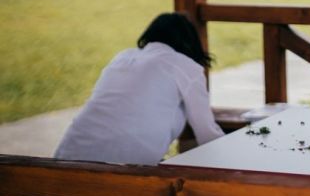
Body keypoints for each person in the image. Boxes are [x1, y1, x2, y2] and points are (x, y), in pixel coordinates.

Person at [54, 13, 224, 165]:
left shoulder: (123, 57)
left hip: (67, 155)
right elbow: (206, 132)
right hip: (127, 166)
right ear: (190, 42)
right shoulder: (184, 65)